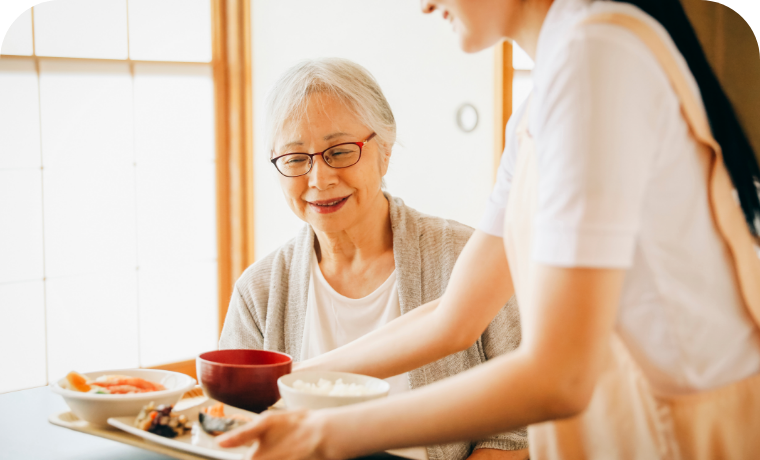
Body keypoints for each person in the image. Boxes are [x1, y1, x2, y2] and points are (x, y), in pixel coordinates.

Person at [218, 1, 760, 459]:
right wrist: (288, 380)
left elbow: (559, 374)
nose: (425, 4)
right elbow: (454, 316)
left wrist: (325, 433)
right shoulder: (541, 102)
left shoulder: (596, 58)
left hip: (683, 434)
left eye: (339, 150)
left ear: (383, 150)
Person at [218, 58, 529, 460]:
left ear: (384, 150)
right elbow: (233, 428)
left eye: (341, 151)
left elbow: (516, 430)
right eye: (296, 159)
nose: (319, 179)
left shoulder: (464, 259)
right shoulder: (257, 292)